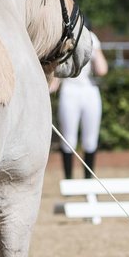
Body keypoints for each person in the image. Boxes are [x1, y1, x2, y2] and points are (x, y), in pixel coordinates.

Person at [50, 34, 109, 179]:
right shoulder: (64, 38)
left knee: (91, 139)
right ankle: (69, 179)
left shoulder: (92, 38)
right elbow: (56, 77)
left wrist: (95, 47)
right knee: (68, 139)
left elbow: (102, 70)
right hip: (69, 90)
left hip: (89, 90)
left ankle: (88, 180)